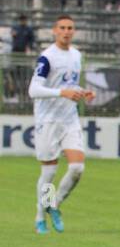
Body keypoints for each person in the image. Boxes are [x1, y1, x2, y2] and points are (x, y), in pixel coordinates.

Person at [29, 15, 93, 235]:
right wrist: (61, 92)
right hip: (47, 120)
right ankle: (40, 216)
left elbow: (69, 84)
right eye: (63, 28)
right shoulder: (47, 57)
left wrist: (82, 92)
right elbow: (33, 90)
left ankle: (53, 204)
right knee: (49, 173)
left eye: (70, 28)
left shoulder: (76, 55)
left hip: (69, 118)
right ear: (54, 31)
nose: (67, 31)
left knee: (77, 168)